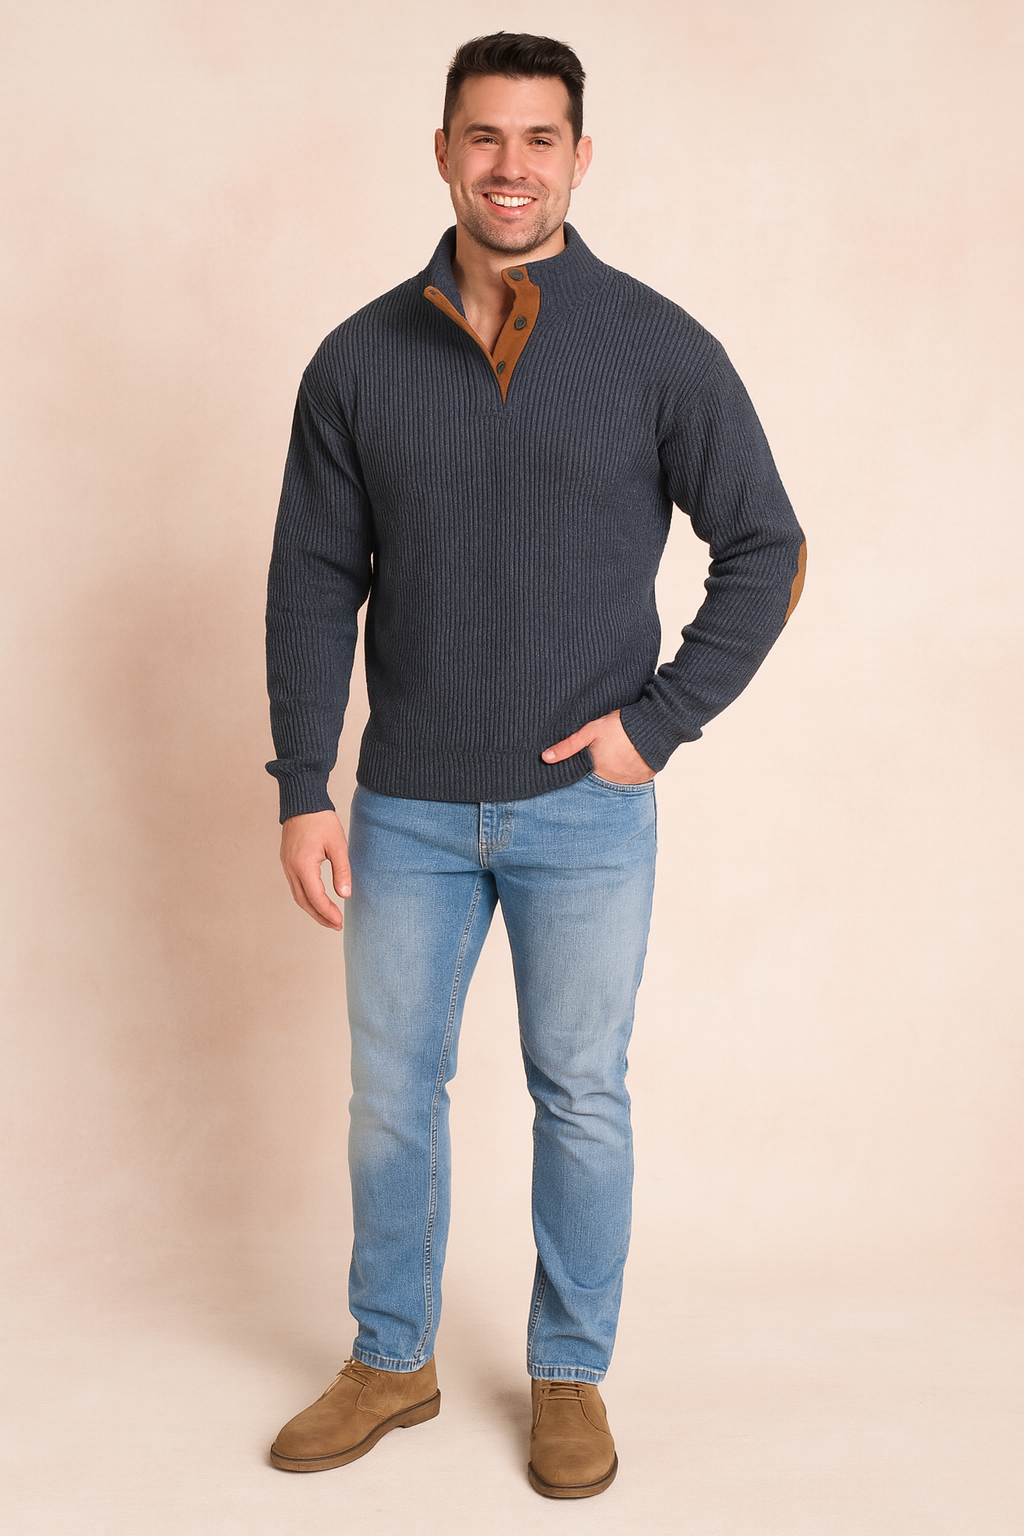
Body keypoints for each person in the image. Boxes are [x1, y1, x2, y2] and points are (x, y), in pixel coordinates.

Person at [264, 32, 805, 1500]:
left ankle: (569, 1373)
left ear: (581, 157)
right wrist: (304, 783)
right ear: (444, 153)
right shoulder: (359, 358)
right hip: (407, 808)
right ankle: (392, 1358)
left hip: (586, 813)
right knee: (392, 1097)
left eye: (540, 138)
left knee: (582, 1096)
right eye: (485, 137)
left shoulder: (655, 345)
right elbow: (313, 576)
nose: (511, 166)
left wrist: (658, 723)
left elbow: (768, 546)